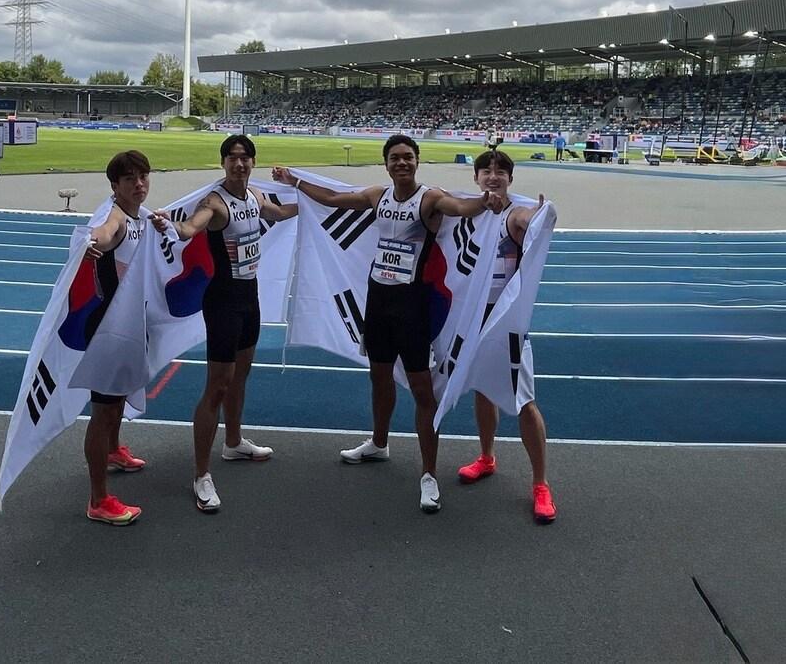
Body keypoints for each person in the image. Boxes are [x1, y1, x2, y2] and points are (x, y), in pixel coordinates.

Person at [274, 135, 500, 513]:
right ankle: (379, 443)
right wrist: (294, 181)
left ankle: (428, 474)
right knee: (378, 376)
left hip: (412, 307)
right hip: (378, 301)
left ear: (417, 162)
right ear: (386, 164)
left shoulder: (429, 199)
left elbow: (460, 207)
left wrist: (484, 202)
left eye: (408, 157)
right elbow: (331, 199)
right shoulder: (378, 196)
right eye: (395, 158)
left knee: (421, 389)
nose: (402, 163)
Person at [151, 134, 297, 514]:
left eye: (245, 158)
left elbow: (278, 214)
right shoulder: (215, 203)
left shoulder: (254, 198)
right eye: (232, 158)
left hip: (250, 300)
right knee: (217, 386)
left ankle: (233, 443)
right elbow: (191, 228)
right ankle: (201, 474)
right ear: (223, 163)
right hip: (223, 304)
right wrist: (171, 225)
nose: (239, 164)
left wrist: (311, 203)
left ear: (253, 162)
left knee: (241, 376)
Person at [452, 147, 556, 524]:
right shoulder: (468, 212)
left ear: (510, 179)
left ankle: (541, 484)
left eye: (500, 171)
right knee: (483, 391)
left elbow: (526, 221)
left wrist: (539, 216)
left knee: (524, 402)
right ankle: (486, 456)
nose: (492, 176)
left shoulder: (513, 214)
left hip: (506, 324)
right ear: (475, 177)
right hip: (474, 321)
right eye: (486, 170)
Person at [81, 150, 153, 526]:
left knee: (119, 399)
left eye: (143, 177)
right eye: (130, 179)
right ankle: (98, 499)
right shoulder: (117, 216)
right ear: (115, 186)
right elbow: (105, 233)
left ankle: (112, 450)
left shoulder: (142, 216)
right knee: (103, 410)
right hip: (109, 329)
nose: (139, 184)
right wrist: (92, 241)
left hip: (130, 325)